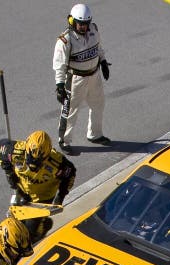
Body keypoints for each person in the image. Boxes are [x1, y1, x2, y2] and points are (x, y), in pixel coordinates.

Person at [0, 129, 76, 240]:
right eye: (30, 159)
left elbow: (70, 173)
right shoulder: (15, 150)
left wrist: (61, 195)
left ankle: (41, 230)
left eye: (38, 162)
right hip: (22, 191)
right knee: (16, 226)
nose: (33, 166)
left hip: (42, 198)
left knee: (30, 234)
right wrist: (9, 173)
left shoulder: (57, 162)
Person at [53, 3, 111, 153]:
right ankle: (64, 141)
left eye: (86, 24)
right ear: (72, 21)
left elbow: (98, 47)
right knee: (70, 111)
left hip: (94, 75)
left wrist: (103, 61)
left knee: (99, 104)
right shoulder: (65, 40)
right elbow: (59, 65)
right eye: (80, 24)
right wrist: (59, 86)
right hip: (75, 79)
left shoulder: (94, 30)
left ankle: (95, 134)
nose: (84, 27)